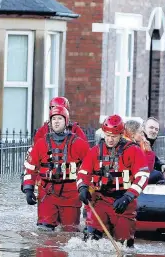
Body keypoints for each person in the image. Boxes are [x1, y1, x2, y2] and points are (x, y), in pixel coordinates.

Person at [77, 114, 150, 247]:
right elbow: (83, 173)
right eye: (108, 135)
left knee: (125, 245)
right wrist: (82, 187)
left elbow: (143, 176)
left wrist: (128, 196)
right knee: (90, 241)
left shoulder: (133, 151)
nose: (110, 140)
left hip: (123, 201)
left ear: (121, 134)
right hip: (100, 200)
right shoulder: (95, 151)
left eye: (114, 136)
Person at [22, 106, 90, 231]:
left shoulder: (78, 143)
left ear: (66, 122)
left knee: (70, 231)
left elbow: (90, 167)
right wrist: (28, 189)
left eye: (60, 118)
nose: (56, 121)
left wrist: (86, 189)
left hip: (71, 195)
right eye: (54, 119)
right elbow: (30, 168)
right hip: (47, 193)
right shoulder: (41, 143)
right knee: (44, 230)